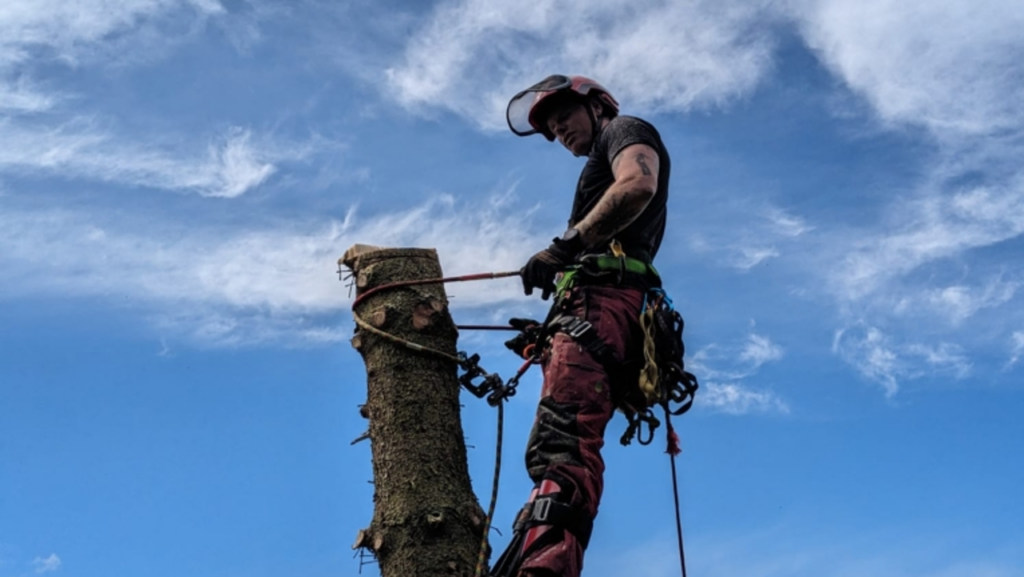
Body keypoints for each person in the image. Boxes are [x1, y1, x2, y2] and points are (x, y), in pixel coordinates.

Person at [492, 75, 671, 577]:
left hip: (603, 305)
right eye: (550, 128)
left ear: (597, 106)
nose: (558, 131)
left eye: (563, 117)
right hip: (602, 309)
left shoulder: (625, 130)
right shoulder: (602, 156)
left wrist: (564, 247)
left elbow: (637, 184)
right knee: (566, 437)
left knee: (563, 439)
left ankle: (543, 570)